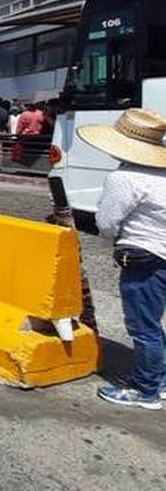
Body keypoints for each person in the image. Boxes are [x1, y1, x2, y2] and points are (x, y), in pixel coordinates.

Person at [77, 109, 166, 410]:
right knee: (152, 324)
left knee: (143, 327)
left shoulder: (124, 177)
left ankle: (146, 391)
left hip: (144, 256)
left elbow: (106, 223)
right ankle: (159, 379)